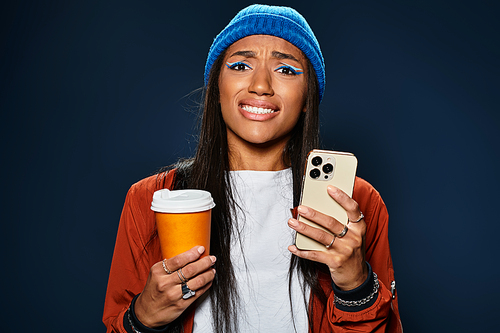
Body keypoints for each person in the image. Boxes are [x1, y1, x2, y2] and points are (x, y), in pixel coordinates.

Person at [103, 4, 402, 333]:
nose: (261, 85)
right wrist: (141, 318)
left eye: (286, 70)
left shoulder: (356, 202)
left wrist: (356, 287)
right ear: (218, 88)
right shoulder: (151, 199)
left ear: (307, 99)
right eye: (241, 65)